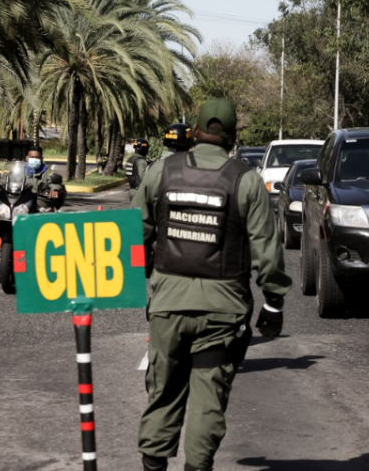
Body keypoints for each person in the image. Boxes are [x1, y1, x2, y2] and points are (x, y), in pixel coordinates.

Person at [132, 98, 292, 471]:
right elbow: (267, 252)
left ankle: (153, 465)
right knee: (208, 400)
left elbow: (133, 235)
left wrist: (148, 277)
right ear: (234, 135)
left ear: (195, 132)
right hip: (222, 314)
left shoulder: (160, 172)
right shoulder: (246, 180)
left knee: (164, 394)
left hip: (168, 306)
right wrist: (274, 303)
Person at [0, 146, 65, 210]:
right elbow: (5, 179)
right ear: (27, 158)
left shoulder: (48, 171)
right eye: (32, 157)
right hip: (20, 201)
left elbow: (54, 182)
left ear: (42, 158)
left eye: (37, 157)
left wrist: (54, 190)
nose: (34, 159)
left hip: (39, 203)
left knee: (45, 214)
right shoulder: (19, 169)